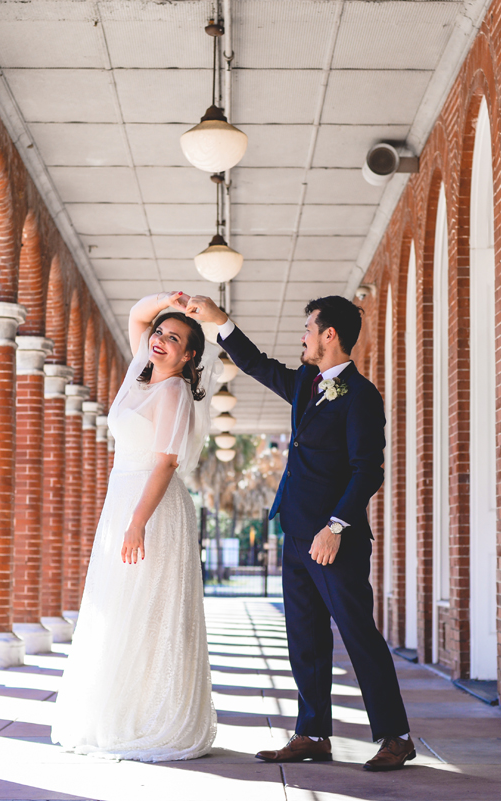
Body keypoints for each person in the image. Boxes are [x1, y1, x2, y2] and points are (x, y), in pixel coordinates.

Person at [187, 294, 415, 772]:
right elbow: (254, 363)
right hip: (295, 533)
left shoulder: (362, 396)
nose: (303, 337)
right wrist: (219, 321)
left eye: (309, 328)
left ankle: (395, 736)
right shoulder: (308, 384)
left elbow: (366, 471)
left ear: (330, 335)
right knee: (304, 636)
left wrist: (335, 526)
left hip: (336, 541)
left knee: (358, 635)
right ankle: (312, 732)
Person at [51, 291, 218, 762]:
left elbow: (166, 463)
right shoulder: (138, 377)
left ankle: (153, 716)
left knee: (150, 611)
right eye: (160, 333)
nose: (161, 340)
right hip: (121, 499)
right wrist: (172, 302)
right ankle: (119, 710)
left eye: (175, 338)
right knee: (121, 607)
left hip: (154, 508)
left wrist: (136, 524)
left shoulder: (173, 391)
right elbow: (136, 314)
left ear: (189, 357)